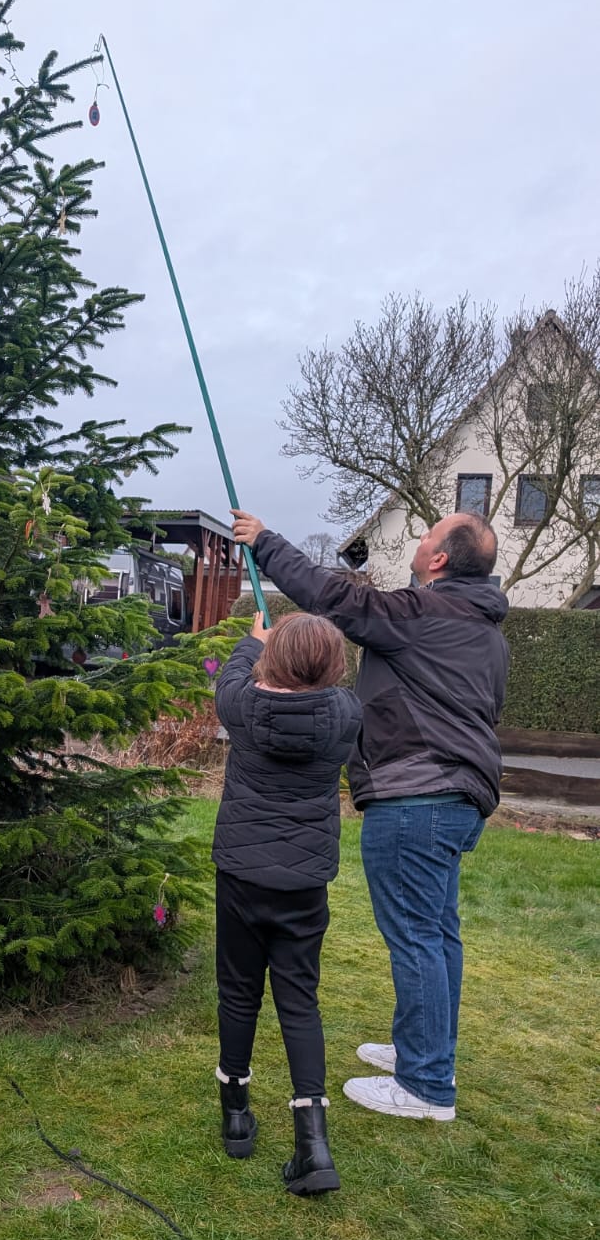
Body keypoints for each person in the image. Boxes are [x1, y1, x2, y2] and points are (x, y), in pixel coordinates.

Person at [229, 510, 509, 1121]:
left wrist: (267, 542)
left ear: (439, 559)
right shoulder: (483, 631)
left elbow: (333, 598)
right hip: (458, 798)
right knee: (437, 934)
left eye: (429, 533)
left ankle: (426, 1086)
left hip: (416, 800)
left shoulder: (424, 614)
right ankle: (425, 1051)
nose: (420, 538)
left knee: (416, 937)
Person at [212, 611, 361, 1195]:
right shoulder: (346, 715)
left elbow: (231, 677)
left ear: (272, 661)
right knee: (299, 999)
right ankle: (312, 1144)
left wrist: (255, 639)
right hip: (304, 884)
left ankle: (236, 1116)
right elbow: (316, 687)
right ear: (332, 666)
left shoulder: (243, 708)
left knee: (238, 991)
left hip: (243, 876)